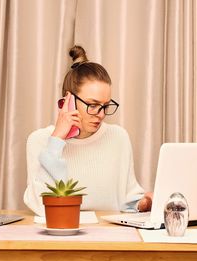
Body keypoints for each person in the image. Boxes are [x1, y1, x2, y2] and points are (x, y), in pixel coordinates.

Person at [24, 45, 152, 216]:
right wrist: (56, 141)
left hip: (111, 237)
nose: (100, 114)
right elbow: (41, 207)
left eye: (105, 106)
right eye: (92, 105)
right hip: (60, 236)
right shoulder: (39, 140)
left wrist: (145, 203)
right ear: (68, 100)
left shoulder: (118, 137)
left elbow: (127, 201)